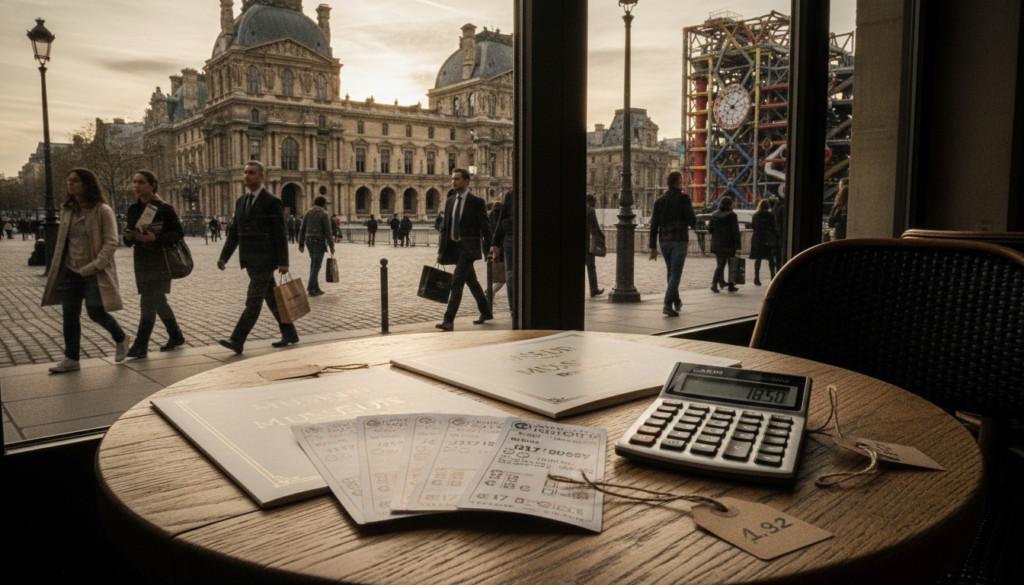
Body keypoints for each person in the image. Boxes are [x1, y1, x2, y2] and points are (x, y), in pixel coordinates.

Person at [42, 168, 130, 373]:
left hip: (94, 270)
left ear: (87, 184)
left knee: (95, 312)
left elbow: (111, 242)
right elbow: (63, 242)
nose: (70, 184)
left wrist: (95, 265)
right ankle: (71, 358)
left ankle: (121, 337)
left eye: (75, 180)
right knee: (69, 315)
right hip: (71, 270)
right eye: (68, 180)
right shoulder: (67, 209)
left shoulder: (102, 210)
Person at [216, 161, 297, 353]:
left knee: (253, 301)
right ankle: (290, 333)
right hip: (249, 260)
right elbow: (235, 231)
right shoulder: (241, 201)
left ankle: (237, 340)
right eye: (245, 172)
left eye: (251, 173)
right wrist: (224, 257)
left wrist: (283, 262)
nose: (247, 176)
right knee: (273, 299)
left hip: (265, 260)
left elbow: (280, 233)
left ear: (262, 177)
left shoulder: (272, 201)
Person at [122, 170, 186, 358]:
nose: (136, 186)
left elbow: (178, 233)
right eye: (134, 182)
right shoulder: (133, 209)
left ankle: (141, 345)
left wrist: (155, 238)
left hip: (160, 261)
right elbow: (130, 240)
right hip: (141, 261)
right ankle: (176, 335)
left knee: (148, 302)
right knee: (158, 302)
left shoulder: (163, 208)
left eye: (141, 182)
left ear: (153, 186)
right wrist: (129, 237)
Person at [436, 168, 493, 331]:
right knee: (472, 281)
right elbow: (445, 229)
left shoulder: (476, 202)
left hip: (468, 249)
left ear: (466, 181)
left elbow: (486, 229)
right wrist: (441, 251)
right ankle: (486, 311)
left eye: (457, 179)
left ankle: (448, 320)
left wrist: (489, 249)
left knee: (457, 281)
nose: (453, 182)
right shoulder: (449, 201)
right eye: (452, 179)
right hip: (455, 248)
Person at [648, 171, 697, 315]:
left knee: (671, 271)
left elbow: (654, 224)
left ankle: (676, 301)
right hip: (679, 239)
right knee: (675, 273)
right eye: (682, 179)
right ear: (678, 182)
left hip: (664, 240)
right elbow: (692, 221)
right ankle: (667, 304)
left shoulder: (659, 200)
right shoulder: (684, 198)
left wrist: (652, 246)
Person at [298, 196, 335, 297]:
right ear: (323, 204)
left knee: (314, 264)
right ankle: (311, 288)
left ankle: (316, 287)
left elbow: (302, 229)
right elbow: (328, 231)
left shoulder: (307, 213)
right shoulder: (324, 214)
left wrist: (301, 242)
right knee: (316, 265)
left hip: (309, 241)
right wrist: (331, 246)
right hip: (319, 241)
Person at [489, 190, 515, 315]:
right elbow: (502, 219)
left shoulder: (510, 194)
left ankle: (514, 309)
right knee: (510, 275)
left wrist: (495, 242)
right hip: (511, 238)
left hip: (510, 238)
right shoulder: (510, 195)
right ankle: (513, 308)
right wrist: (495, 243)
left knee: (510, 275)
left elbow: (502, 219)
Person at [709, 196, 742, 293]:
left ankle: (717, 283)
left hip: (716, 243)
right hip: (729, 244)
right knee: (731, 264)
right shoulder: (732, 215)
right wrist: (738, 247)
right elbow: (735, 232)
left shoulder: (714, 215)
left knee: (720, 264)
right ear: (730, 204)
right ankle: (729, 285)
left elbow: (710, 229)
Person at [750, 198, 777, 286]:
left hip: (757, 239)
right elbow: (774, 228)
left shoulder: (755, 215)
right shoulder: (771, 215)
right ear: (768, 206)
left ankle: (756, 278)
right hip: (767, 239)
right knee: (771, 259)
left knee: (758, 259)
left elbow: (753, 226)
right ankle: (773, 277)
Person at [585, 195, 606, 298]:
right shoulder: (590, 210)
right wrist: (602, 237)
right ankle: (593, 289)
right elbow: (595, 226)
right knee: (591, 267)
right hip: (588, 242)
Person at [771, 192, 786, 272]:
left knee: (777, 256)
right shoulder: (782, 207)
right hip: (781, 233)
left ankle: (777, 272)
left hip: (776, 233)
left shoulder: (775, 207)